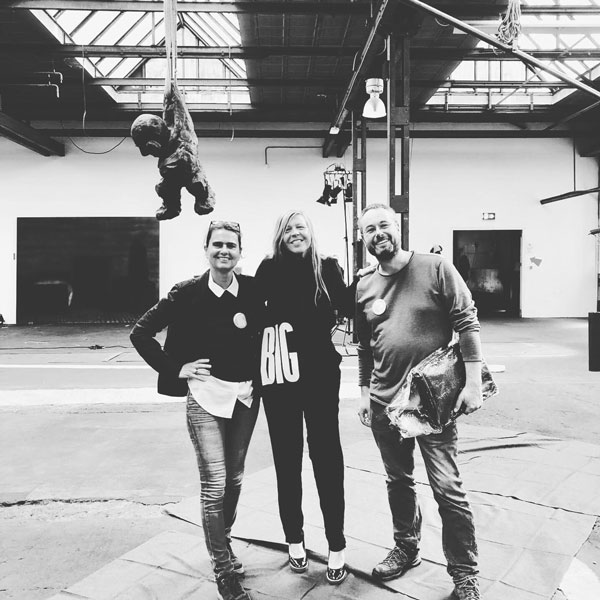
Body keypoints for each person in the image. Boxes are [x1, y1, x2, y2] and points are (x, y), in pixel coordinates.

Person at [355, 203, 483, 600]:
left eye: (384, 225)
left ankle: (464, 573)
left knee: (448, 489)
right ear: (363, 238)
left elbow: (467, 321)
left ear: (397, 227)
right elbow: (364, 346)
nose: (378, 233)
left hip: (432, 404)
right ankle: (407, 547)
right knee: (398, 481)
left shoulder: (436, 268)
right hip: (384, 402)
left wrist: (473, 382)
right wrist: (364, 393)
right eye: (370, 229)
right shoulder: (363, 285)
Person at [130, 221, 261, 600]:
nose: (224, 250)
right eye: (217, 244)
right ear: (206, 249)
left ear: (240, 251)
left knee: (234, 480)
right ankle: (224, 571)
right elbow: (140, 333)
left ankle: (224, 541)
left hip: (244, 398)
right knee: (215, 484)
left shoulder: (252, 290)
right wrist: (176, 368)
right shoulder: (186, 293)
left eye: (231, 245)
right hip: (205, 398)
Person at [254, 210, 353, 585]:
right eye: (288, 229)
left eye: (301, 227)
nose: (295, 233)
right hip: (280, 377)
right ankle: (294, 538)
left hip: (321, 376)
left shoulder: (327, 267)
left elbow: (348, 308)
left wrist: (362, 283)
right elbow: (252, 316)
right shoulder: (268, 269)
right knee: (286, 458)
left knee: (327, 458)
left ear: (310, 233)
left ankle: (336, 544)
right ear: (280, 236)